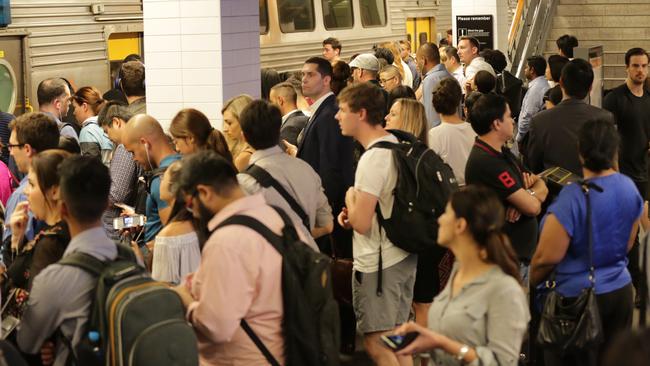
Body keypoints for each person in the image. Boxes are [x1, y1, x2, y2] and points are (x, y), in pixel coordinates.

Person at [173, 151, 308, 365]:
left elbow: (216, 326)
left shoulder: (226, 241)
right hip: (284, 353)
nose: (194, 213)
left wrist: (184, 297)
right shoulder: (278, 217)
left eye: (190, 205)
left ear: (204, 193)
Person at [530, 118, 641, 366]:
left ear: (581, 153)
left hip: (576, 303)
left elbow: (547, 257)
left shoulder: (573, 197)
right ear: (615, 151)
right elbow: (629, 242)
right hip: (621, 290)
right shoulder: (629, 188)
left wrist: (532, 282)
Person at [392, 185, 529, 366]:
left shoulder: (504, 290)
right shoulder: (457, 272)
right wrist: (423, 337)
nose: (439, 219)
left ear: (460, 225)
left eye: (446, 213)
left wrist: (442, 343)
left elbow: (503, 362)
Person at [336, 82, 417, 366]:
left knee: (376, 342)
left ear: (360, 114)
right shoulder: (395, 144)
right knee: (397, 340)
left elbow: (360, 222)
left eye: (342, 110)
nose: (337, 117)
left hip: (378, 265)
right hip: (402, 254)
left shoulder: (372, 159)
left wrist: (349, 196)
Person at [16, 155, 117, 366]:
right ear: (107, 204)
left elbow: (27, 342)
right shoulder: (130, 256)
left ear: (62, 209)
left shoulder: (55, 277)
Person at [465, 94, 548, 280]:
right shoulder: (487, 161)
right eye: (509, 116)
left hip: (515, 257)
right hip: (504, 260)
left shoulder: (502, 153)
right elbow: (533, 207)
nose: (513, 120)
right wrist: (526, 200)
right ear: (496, 124)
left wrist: (527, 194)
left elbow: (541, 182)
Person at [237, 99, 333, 252]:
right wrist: (302, 234)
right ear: (278, 131)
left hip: (269, 267)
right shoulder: (305, 168)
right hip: (309, 262)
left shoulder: (243, 182)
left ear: (244, 137)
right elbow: (327, 225)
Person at [602, 47, 650, 310]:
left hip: (644, 173)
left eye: (644, 66)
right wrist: (616, 174)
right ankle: (638, 286)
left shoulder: (649, 97)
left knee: (640, 233)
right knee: (631, 235)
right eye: (635, 66)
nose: (640, 70)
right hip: (623, 176)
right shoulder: (615, 99)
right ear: (626, 68)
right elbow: (608, 141)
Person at [296, 57, 355, 255]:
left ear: (327, 80)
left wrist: (323, 215)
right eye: (302, 74)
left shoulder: (330, 113)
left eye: (310, 74)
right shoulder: (322, 110)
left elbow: (330, 168)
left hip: (328, 212)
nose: (304, 79)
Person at [4, 149, 71, 312]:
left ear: (54, 191)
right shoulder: (55, 231)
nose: (26, 191)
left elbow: (32, 309)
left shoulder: (52, 243)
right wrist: (16, 240)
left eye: (32, 185)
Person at [526, 59, 615, 176]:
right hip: (594, 190)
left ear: (561, 82)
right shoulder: (605, 117)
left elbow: (534, 165)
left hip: (554, 190)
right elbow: (609, 161)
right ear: (590, 87)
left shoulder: (539, 121)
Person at [2, 113, 60, 257]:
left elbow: (11, 259)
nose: (11, 152)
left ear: (27, 149)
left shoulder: (23, 195)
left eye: (12, 146)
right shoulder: (64, 183)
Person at [122, 114, 181, 247]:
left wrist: (146, 253)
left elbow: (175, 237)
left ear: (145, 143)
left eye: (133, 152)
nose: (134, 159)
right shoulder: (178, 164)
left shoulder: (163, 180)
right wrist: (143, 221)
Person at [96, 101, 141, 240]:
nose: (108, 137)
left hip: (118, 230)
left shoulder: (124, 148)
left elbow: (116, 194)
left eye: (106, 131)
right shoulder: (129, 146)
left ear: (116, 122)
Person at [150, 160, 200, 284]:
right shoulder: (202, 223)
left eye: (163, 177)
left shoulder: (168, 236)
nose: (160, 181)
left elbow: (163, 289)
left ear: (173, 187)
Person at [428, 78, 476, 186]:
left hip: (449, 191)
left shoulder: (434, 135)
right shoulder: (474, 130)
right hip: (475, 190)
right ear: (459, 100)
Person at [71, 86, 114, 165]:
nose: (74, 112)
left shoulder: (88, 131)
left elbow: (91, 168)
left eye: (75, 107)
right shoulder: (108, 125)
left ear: (84, 106)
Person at [515, 56, 550, 151]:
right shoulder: (541, 85)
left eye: (526, 67)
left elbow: (528, 115)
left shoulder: (536, 89)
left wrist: (519, 137)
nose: (524, 70)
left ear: (532, 70)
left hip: (529, 137)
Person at [416, 42, 454, 129]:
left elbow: (431, 116)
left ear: (423, 60)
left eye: (417, 60)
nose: (416, 64)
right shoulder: (450, 76)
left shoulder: (430, 80)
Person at [269, 82, 309, 146]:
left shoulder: (289, 127)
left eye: (271, 102)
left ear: (280, 100)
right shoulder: (307, 119)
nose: (270, 106)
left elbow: (284, 155)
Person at [222, 94, 254, 172]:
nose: (224, 129)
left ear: (243, 121)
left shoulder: (244, 157)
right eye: (224, 123)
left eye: (229, 123)